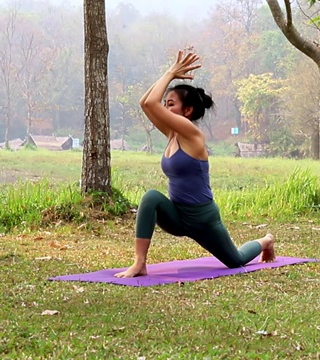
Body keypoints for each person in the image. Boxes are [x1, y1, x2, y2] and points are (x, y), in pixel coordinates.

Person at [114, 51, 275, 278]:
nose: (165, 108)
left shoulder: (193, 135)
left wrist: (171, 73)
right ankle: (139, 263)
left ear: (187, 110)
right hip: (177, 217)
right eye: (165, 104)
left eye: (171, 104)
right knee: (151, 197)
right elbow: (145, 103)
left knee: (236, 261)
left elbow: (151, 102)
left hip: (202, 219)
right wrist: (168, 77)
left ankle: (266, 240)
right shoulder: (172, 134)